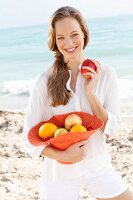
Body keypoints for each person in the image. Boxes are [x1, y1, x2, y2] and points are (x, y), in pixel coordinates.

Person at [23, 6, 133, 200]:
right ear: (54, 41)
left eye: (74, 34)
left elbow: (112, 129)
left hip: (98, 166)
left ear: (84, 33)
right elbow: (29, 139)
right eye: (61, 37)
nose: (69, 43)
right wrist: (64, 156)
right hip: (59, 173)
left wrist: (91, 92)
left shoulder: (106, 73)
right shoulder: (44, 81)